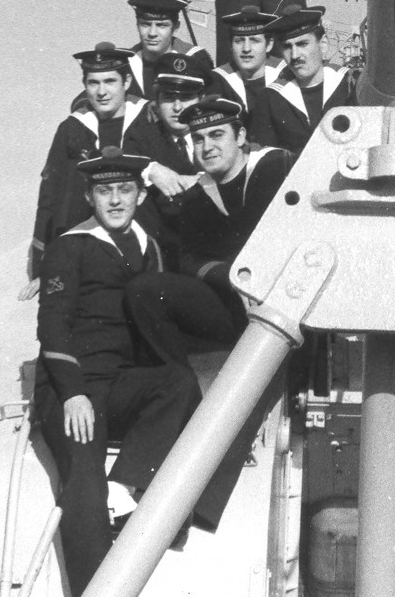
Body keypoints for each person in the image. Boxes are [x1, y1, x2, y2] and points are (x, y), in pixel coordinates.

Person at [33, 148, 218, 597]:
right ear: (89, 197)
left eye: (124, 189)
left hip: (118, 383)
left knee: (177, 383)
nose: (115, 200)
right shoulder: (69, 246)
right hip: (73, 388)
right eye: (104, 191)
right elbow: (52, 324)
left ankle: (124, 485)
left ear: (140, 195)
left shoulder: (148, 245)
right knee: (83, 482)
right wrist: (72, 393)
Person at [125, 97, 294, 525]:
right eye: (198, 139)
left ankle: (195, 511)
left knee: (248, 390)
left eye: (217, 135)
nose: (207, 146)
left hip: (284, 308)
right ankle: (178, 385)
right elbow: (190, 258)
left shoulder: (276, 170)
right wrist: (231, 278)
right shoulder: (198, 194)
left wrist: (260, 284)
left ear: (242, 136)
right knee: (146, 291)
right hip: (230, 304)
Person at [29, 43, 148, 281]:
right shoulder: (72, 128)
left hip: (142, 238)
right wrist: (42, 261)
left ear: (126, 82)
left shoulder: (147, 118)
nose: (101, 91)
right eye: (93, 83)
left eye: (110, 81)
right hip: (87, 241)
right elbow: (50, 196)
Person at [123, 52, 206, 268]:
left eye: (186, 98)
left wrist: (201, 180)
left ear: (201, 99)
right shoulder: (141, 136)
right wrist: (150, 169)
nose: (177, 108)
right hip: (165, 253)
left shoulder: (216, 132)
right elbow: (127, 162)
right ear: (157, 102)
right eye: (169, 98)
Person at [264, 5, 355, 154]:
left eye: (302, 44)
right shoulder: (272, 98)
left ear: (323, 44)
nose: (295, 55)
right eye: (287, 47)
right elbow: (265, 156)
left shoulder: (350, 84)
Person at [208, 5, 285, 147]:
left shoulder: (284, 74)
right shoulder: (219, 80)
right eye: (239, 41)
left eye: (254, 40)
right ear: (230, 45)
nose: (246, 49)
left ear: (269, 45)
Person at [125, 0, 213, 101]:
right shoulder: (126, 63)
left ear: (176, 27)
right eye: (145, 24)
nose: (152, 33)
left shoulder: (196, 59)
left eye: (161, 25)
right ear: (137, 25)